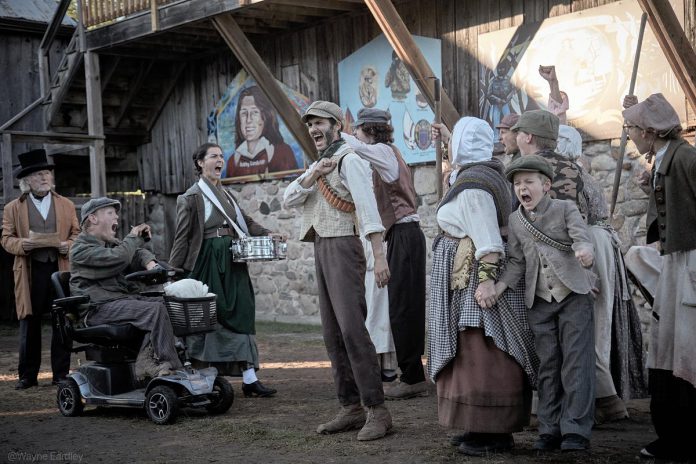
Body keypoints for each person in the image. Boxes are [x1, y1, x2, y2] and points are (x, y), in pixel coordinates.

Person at [428, 117, 538, 456]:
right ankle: (476, 427)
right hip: (470, 272)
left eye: (453, 142)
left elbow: (489, 241)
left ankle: (493, 434)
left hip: (475, 275)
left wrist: (488, 283)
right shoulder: (488, 172)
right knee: (471, 352)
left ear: (460, 145)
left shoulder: (475, 187)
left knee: (482, 350)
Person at [283, 101, 392, 441]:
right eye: (310, 124)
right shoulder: (318, 163)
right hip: (321, 246)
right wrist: (314, 174)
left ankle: (378, 410)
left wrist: (379, 254)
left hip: (344, 247)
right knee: (332, 334)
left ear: (337, 123)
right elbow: (288, 199)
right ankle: (350, 406)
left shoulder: (351, 160)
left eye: (320, 122)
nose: (314, 129)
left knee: (352, 331)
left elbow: (368, 209)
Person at [491, 154, 596, 452]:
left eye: (529, 182)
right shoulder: (515, 220)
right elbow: (516, 261)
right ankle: (549, 429)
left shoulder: (565, 208)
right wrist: (499, 287)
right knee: (548, 366)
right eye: (517, 184)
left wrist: (585, 251)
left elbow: (581, 236)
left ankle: (575, 430)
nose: (522, 188)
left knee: (576, 363)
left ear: (546, 185)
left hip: (573, 295)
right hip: (539, 301)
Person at [170, 142, 277, 398]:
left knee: (243, 310)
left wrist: (268, 233)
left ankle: (250, 379)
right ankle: (209, 375)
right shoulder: (192, 197)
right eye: (214, 156)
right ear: (200, 163)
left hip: (233, 260)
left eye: (222, 156)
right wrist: (174, 270)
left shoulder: (227, 194)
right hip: (208, 261)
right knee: (213, 316)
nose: (220, 160)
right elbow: (182, 237)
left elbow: (245, 221)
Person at [555, 124, 647, 422]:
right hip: (600, 244)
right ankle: (604, 399)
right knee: (595, 324)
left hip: (590, 247)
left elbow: (573, 222)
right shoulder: (579, 172)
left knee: (589, 324)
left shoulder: (567, 176)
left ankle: (604, 399)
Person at [622, 93, 696, 462]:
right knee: (665, 346)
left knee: (685, 350)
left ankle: (683, 437)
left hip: (690, 264)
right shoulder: (665, 157)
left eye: (632, 128)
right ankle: (672, 434)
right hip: (674, 262)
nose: (629, 134)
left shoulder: (685, 157)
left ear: (649, 132)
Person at [341, 108, 427, 400]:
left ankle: (412, 377)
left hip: (405, 233)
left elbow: (355, 147)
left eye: (359, 130)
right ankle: (412, 373)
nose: (355, 135)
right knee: (402, 305)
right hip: (402, 234)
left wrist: (331, 128)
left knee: (404, 307)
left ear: (371, 131)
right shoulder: (388, 153)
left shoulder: (383, 152)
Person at [69, 197, 183, 377]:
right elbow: (119, 258)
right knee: (156, 310)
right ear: (93, 218)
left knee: (171, 303)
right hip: (97, 309)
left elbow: (135, 254)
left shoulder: (110, 244)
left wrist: (151, 264)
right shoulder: (80, 250)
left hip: (118, 301)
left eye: (116, 214)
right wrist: (133, 237)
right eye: (110, 213)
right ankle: (171, 365)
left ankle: (148, 359)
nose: (116, 218)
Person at [1, 149, 79, 389]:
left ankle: (60, 374)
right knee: (29, 322)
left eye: (46, 173)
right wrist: (21, 244)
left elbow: (77, 234)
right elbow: (5, 238)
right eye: (38, 174)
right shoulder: (13, 207)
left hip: (58, 269)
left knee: (61, 320)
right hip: (30, 271)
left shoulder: (65, 204)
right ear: (27, 181)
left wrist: (69, 246)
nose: (45, 177)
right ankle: (27, 375)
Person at [225, 86, 298, 178]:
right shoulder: (232, 161)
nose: (248, 120)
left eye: (255, 112)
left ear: (266, 116)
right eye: (244, 113)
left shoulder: (283, 153)